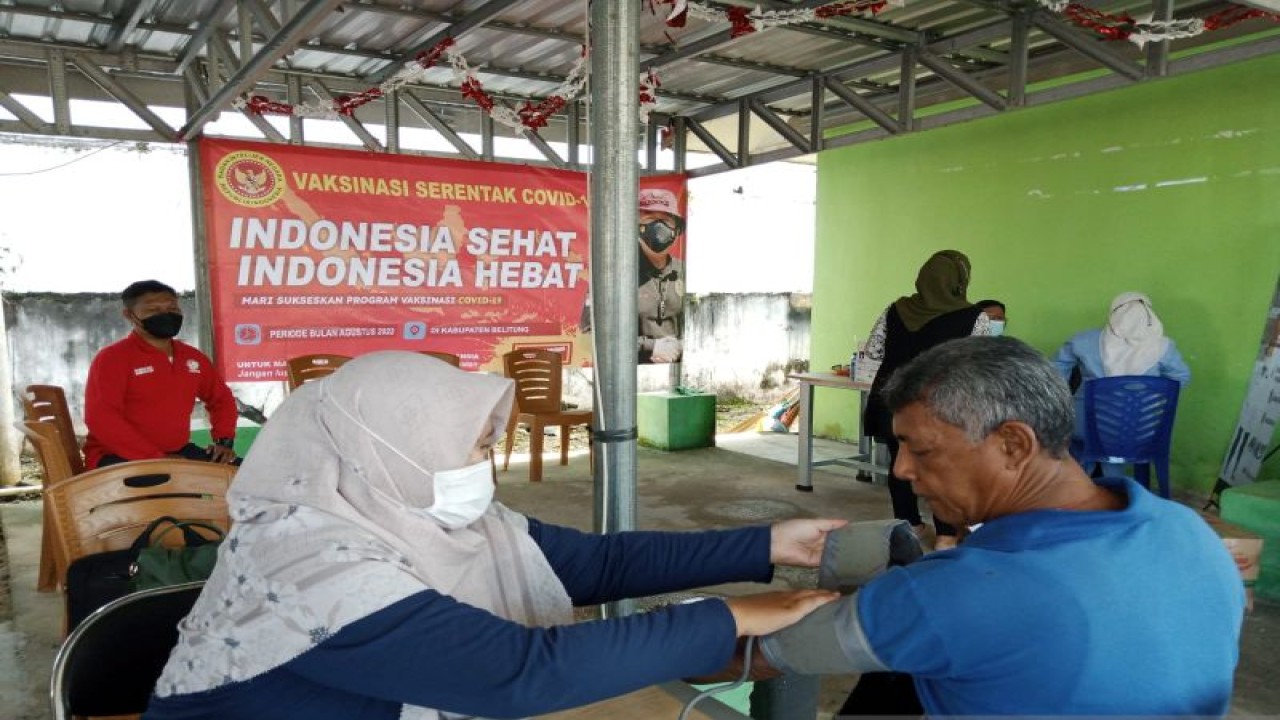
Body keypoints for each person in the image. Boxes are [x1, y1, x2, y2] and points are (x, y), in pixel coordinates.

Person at [144, 351, 841, 720]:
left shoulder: (424, 515)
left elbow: (597, 563)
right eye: (475, 446)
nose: (486, 468)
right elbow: (518, 673)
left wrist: (771, 545)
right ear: (389, 450)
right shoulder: (305, 559)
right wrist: (728, 617)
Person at [753, 337, 1244, 716]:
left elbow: (751, 654)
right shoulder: (1190, 532)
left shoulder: (961, 589)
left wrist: (724, 610)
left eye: (921, 449)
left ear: (1013, 445)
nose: (901, 469)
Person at [861, 250, 990, 550]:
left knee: (901, 462)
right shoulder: (975, 317)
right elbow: (980, 362)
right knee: (944, 468)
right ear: (959, 281)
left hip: (893, 401)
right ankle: (945, 535)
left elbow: (874, 351)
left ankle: (910, 527)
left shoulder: (896, 309)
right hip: (941, 405)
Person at [83, 280, 240, 469]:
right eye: (153, 309)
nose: (165, 314)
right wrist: (155, 457)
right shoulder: (112, 358)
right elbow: (101, 418)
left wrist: (224, 441)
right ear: (129, 315)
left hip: (178, 452)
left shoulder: (192, 357)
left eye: (172, 308)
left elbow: (221, 399)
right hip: (118, 458)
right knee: (181, 481)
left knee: (248, 475)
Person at [1052, 291, 1191, 447]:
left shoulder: (1083, 341)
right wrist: (1152, 397)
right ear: (1149, 317)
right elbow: (1180, 378)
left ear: (1113, 314)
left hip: (1085, 428)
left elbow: (1055, 370)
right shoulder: (1163, 347)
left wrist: (1063, 396)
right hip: (1140, 430)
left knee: (1071, 434)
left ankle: (1084, 461)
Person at [637, 188, 685, 364]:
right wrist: (650, 346)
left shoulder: (685, 272)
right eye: (650, 219)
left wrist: (680, 347)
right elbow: (590, 335)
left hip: (677, 373)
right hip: (627, 375)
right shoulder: (616, 275)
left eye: (666, 220)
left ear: (677, 230)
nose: (658, 228)